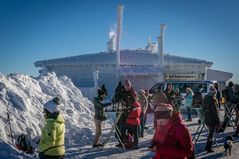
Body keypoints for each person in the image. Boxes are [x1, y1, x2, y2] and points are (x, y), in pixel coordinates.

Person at [203, 85, 220, 153]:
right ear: (213, 93)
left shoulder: (205, 97)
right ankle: (208, 147)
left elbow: (203, 108)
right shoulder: (212, 99)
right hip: (212, 118)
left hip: (207, 117)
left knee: (210, 133)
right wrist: (218, 121)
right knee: (211, 133)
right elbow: (214, 111)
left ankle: (208, 146)